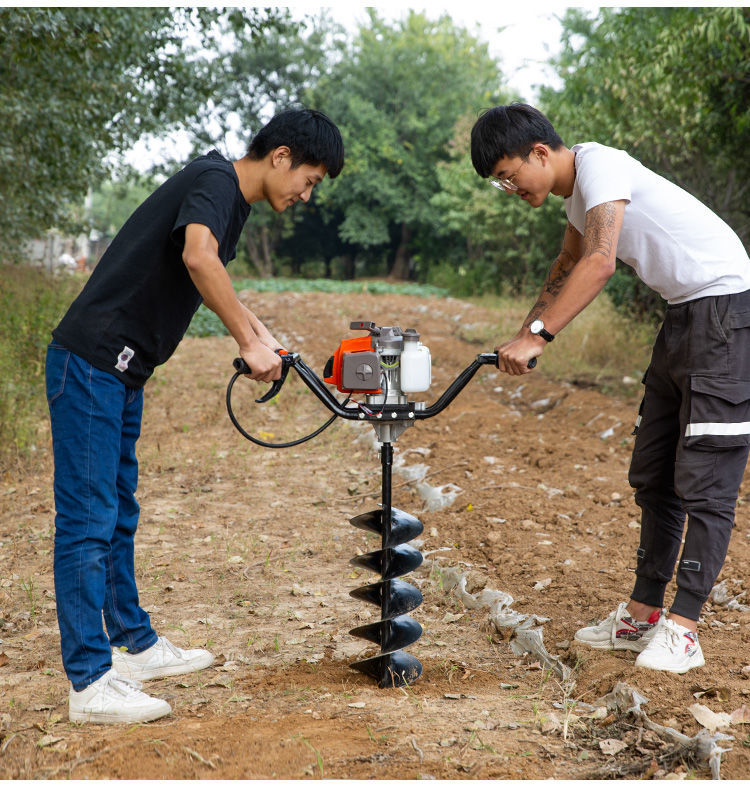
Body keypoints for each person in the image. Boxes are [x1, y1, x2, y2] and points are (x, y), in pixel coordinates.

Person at [46, 108, 345, 723]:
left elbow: (217, 273)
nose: (306, 194)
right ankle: (89, 682)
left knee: (118, 509)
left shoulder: (229, 200)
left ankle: (133, 645)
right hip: (91, 363)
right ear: (281, 155)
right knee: (87, 518)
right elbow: (199, 258)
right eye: (309, 179)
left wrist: (267, 337)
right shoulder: (216, 179)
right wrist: (244, 341)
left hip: (122, 372)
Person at [470, 103, 750, 675]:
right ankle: (643, 614)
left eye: (508, 174)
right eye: (498, 181)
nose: (508, 187)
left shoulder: (602, 167)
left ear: (540, 153)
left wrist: (542, 335)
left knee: (707, 478)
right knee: (653, 472)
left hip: (726, 315)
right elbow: (569, 258)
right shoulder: (577, 194)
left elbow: (599, 264)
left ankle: (684, 627)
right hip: (683, 317)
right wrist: (522, 333)